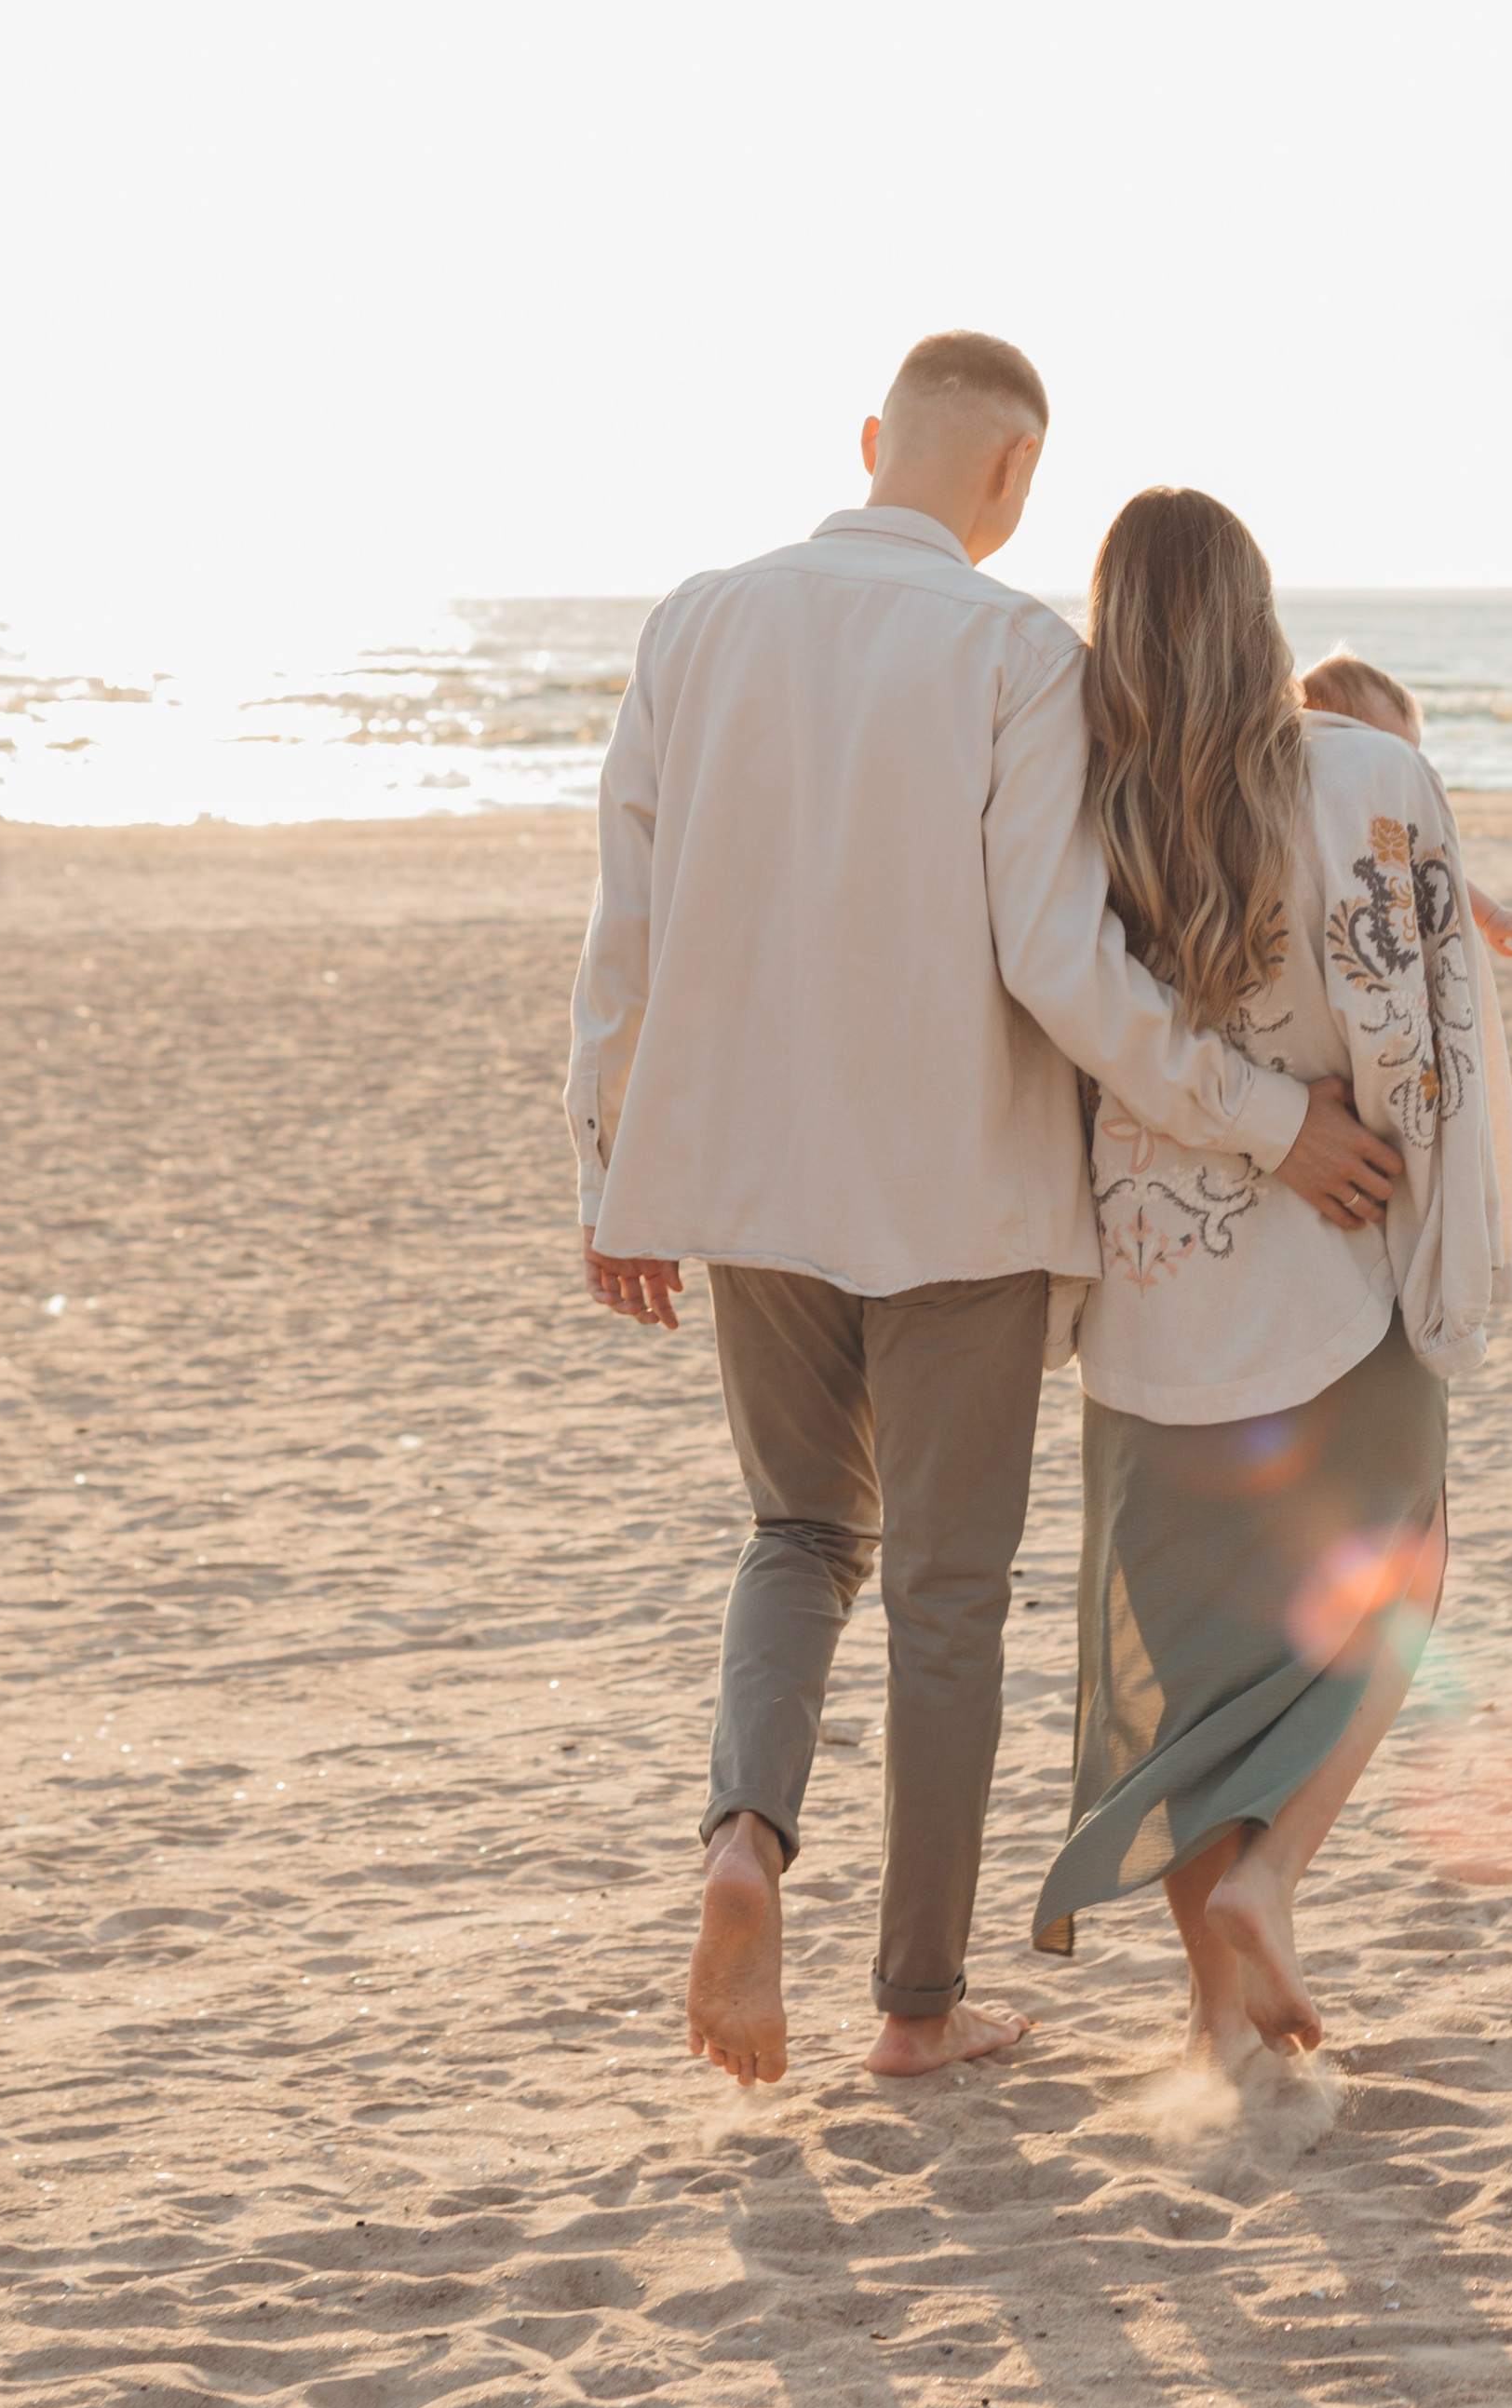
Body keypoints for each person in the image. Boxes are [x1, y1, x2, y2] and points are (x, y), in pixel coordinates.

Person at [568, 337, 1405, 2090]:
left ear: (875, 442)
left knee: (798, 1537)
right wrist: (1266, 1117)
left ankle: (743, 1844)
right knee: (947, 1598)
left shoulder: (694, 621)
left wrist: (609, 1167)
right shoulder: (1020, 653)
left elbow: (623, 928)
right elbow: (1058, 963)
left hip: (744, 1187)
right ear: (1018, 478)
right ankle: (917, 2007)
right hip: (960, 1199)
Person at [1033, 493, 1512, 2063]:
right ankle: (1277, 1874)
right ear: (1260, 613)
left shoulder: (1077, 802)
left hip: (1153, 1291)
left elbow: (1074, 1018)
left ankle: (1213, 2028)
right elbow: (1434, 1051)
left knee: (1194, 1665)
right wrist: (1424, 1224)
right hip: (1342, 1262)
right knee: (1404, 1573)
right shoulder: (1371, 775)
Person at [1297, 649, 1512, 961]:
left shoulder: (1383, 821)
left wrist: (1491, 916)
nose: (1404, 773)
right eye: (1392, 753)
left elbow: (1437, 871)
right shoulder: (1305, 803)